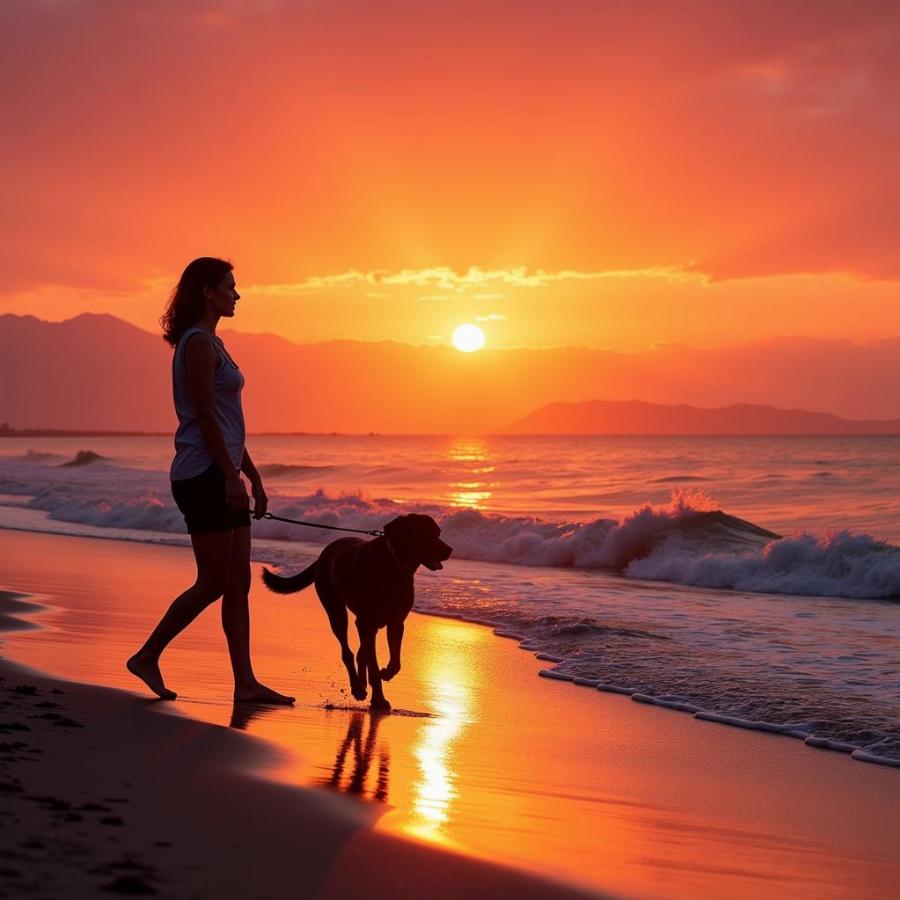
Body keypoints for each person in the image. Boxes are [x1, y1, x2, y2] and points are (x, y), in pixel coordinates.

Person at [127, 257, 294, 705]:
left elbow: (227, 421)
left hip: (220, 471)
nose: (236, 295)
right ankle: (146, 656)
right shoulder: (197, 343)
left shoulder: (215, 344)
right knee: (214, 581)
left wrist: (251, 475)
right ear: (207, 292)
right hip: (202, 474)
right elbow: (203, 417)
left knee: (237, 582)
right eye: (230, 287)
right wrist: (228, 475)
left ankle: (246, 683)